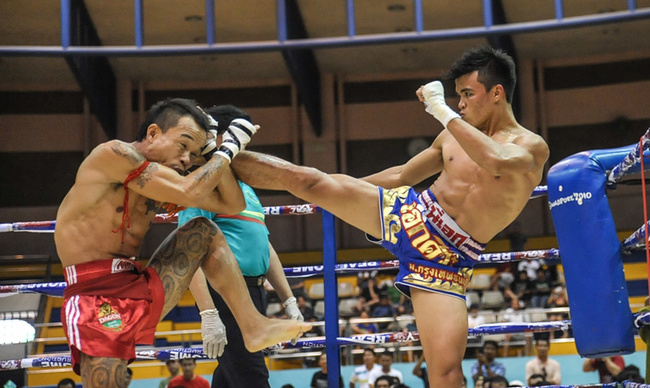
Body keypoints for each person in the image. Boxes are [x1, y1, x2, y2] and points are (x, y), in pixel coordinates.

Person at [230, 46, 549, 388]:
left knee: (446, 372)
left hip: (446, 258)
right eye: (456, 97)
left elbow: (497, 161)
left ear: (497, 92)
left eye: (468, 94)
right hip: (409, 212)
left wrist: (440, 110)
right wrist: (337, 193)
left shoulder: (530, 146)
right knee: (310, 181)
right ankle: (218, 157)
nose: (460, 104)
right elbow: (402, 177)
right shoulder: (452, 133)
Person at [54, 98, 311, 385]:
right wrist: (228, 150)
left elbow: (232, 202)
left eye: (193, 152)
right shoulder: (113, 154)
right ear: (153, 133)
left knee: (204, 230)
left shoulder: (164, 180)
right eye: (183, 145)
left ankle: (253, 326)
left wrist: (214, 150)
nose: (187, 159)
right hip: (95, 293)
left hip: (139, 283)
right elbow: (189, 191)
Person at [178, 104, 304, 388]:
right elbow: (188, 251)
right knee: (252, 376)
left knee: (232, 375)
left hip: (254, 291)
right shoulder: (204, 183)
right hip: (226, 291)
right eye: (241, 138)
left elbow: (263, 246)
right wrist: (208, 313)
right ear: (219, 138)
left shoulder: (245, 188)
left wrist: (288, 299)